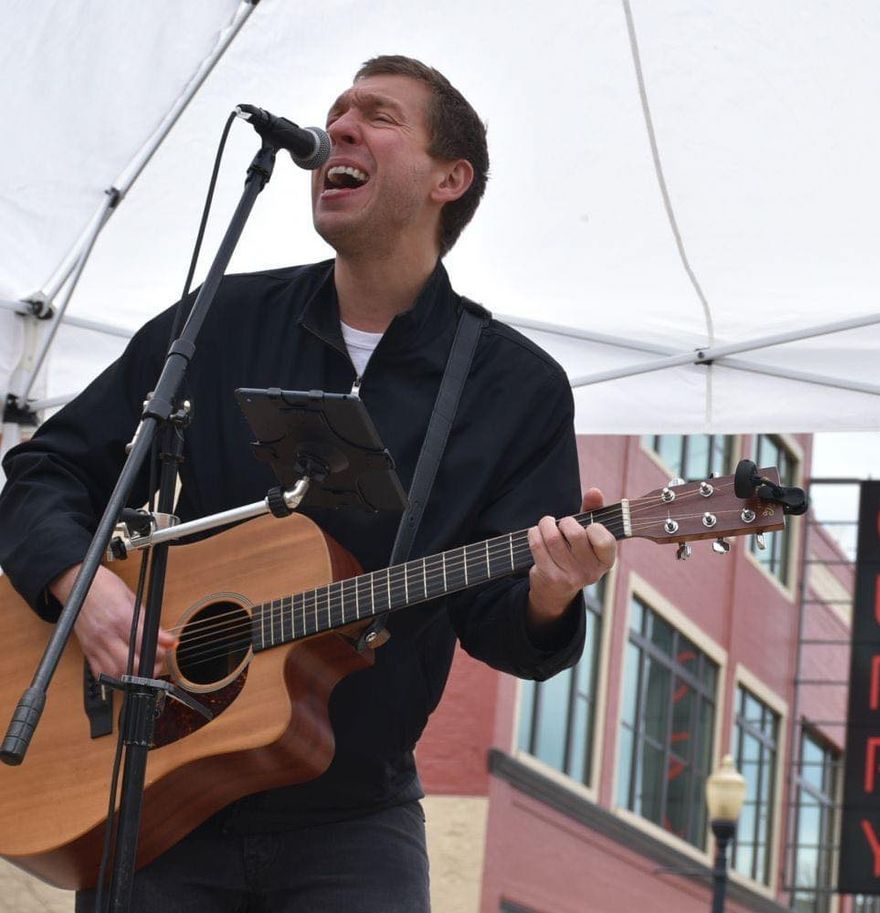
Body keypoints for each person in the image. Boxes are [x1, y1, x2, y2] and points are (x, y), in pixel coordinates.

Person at [0, 55, 616, 911]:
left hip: (352, 820)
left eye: (379, 115)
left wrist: (551, 593)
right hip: (151, 794)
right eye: (337, 112)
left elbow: (502, 628)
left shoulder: (513, 388)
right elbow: (45, 470)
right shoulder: (217, 322)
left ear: (450, 178)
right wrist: (83, 587)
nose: (340, 128)